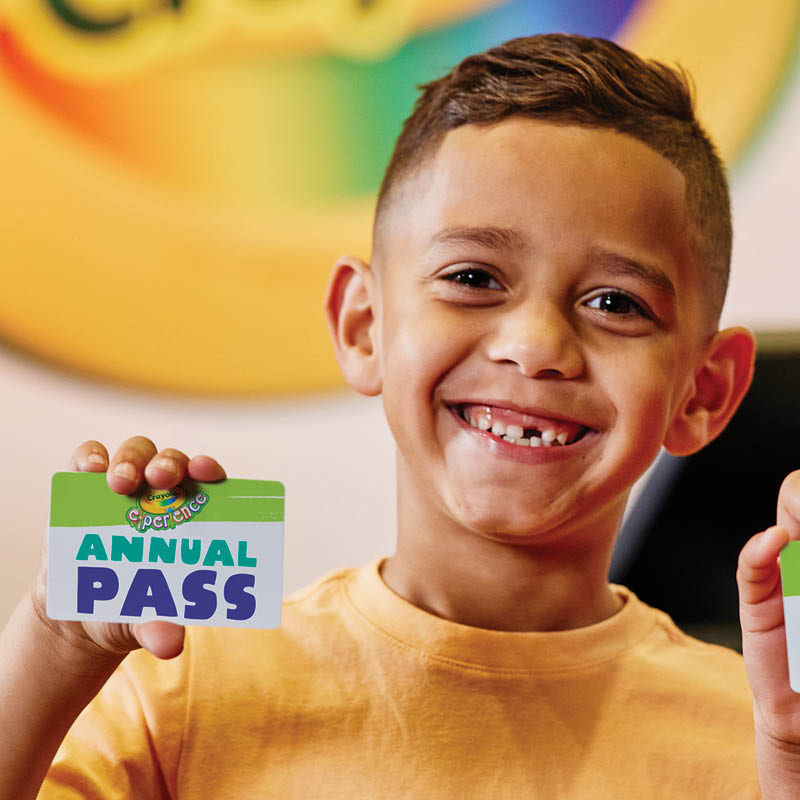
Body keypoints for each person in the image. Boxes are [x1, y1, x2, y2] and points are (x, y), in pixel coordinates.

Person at [2, 32, 799, 799]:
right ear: (363, 326)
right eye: (475, 277)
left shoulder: (763, 733)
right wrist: (56, 642)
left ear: (703, 391)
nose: (536, 346)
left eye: (615, 302)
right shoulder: (180, 688)